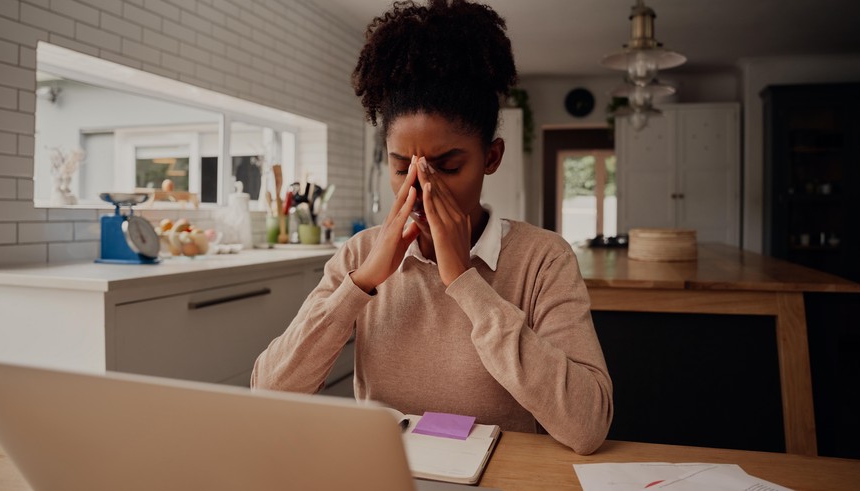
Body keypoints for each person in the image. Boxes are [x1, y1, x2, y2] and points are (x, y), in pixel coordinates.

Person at [252, 0, 613, 454]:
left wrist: (466, 282)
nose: (422, 189)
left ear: (492, 158)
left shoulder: (543, 259)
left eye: (447, 166)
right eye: (404, 168)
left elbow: (587, 426)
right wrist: (360, 284)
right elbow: (267, 394)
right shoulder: (359, 256)